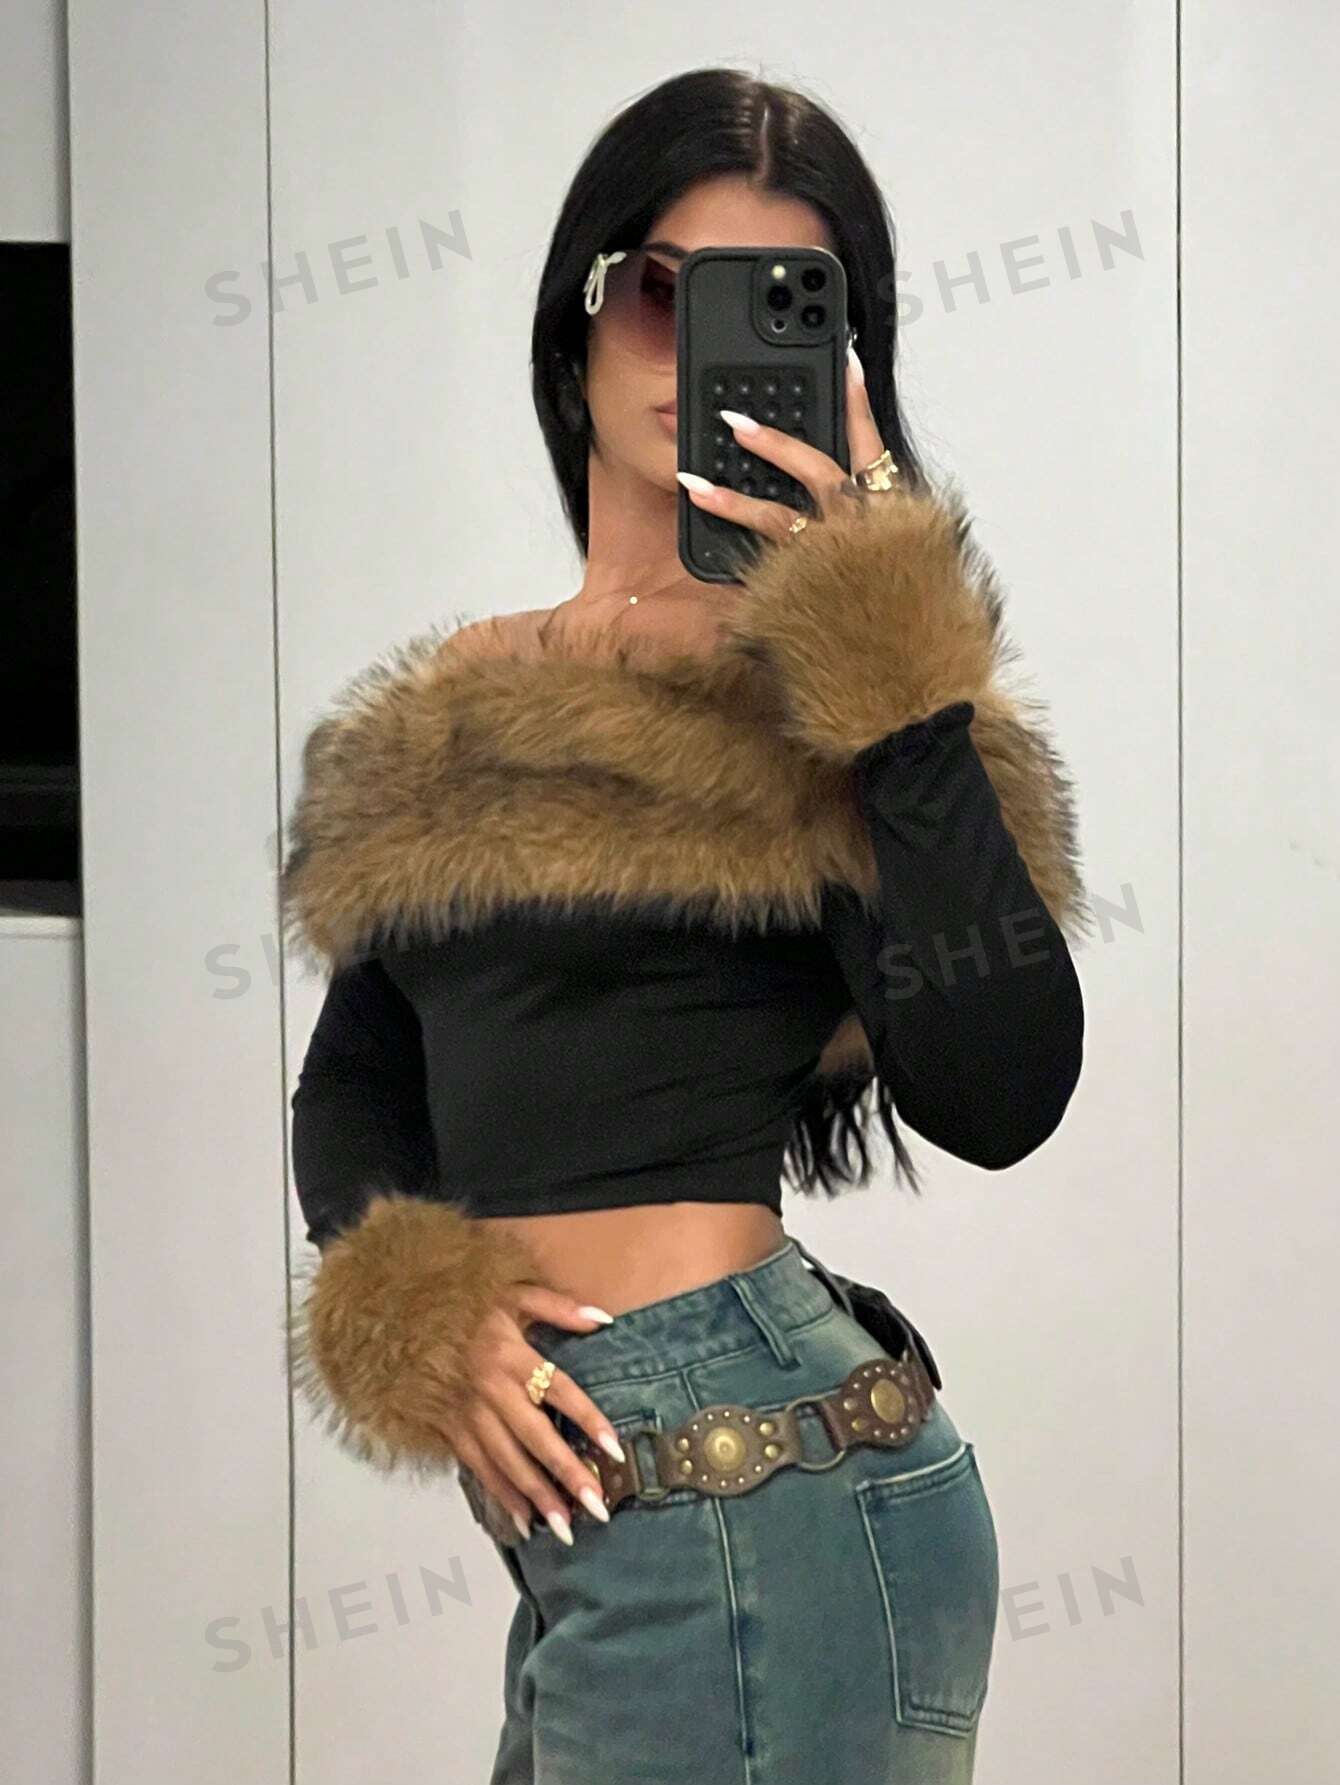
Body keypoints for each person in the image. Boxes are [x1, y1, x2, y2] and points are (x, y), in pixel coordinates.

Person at [280, 65, 1089, 1785]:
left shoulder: (854, 701)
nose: (693, 348)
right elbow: (355, 1089)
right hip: (610, 1520)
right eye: (662, 289)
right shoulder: (457, 697)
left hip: (762, 1488)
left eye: (781, 304)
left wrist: (887, 661)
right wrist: (435, 1320)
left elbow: (1002, 1084)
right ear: (577, 314)